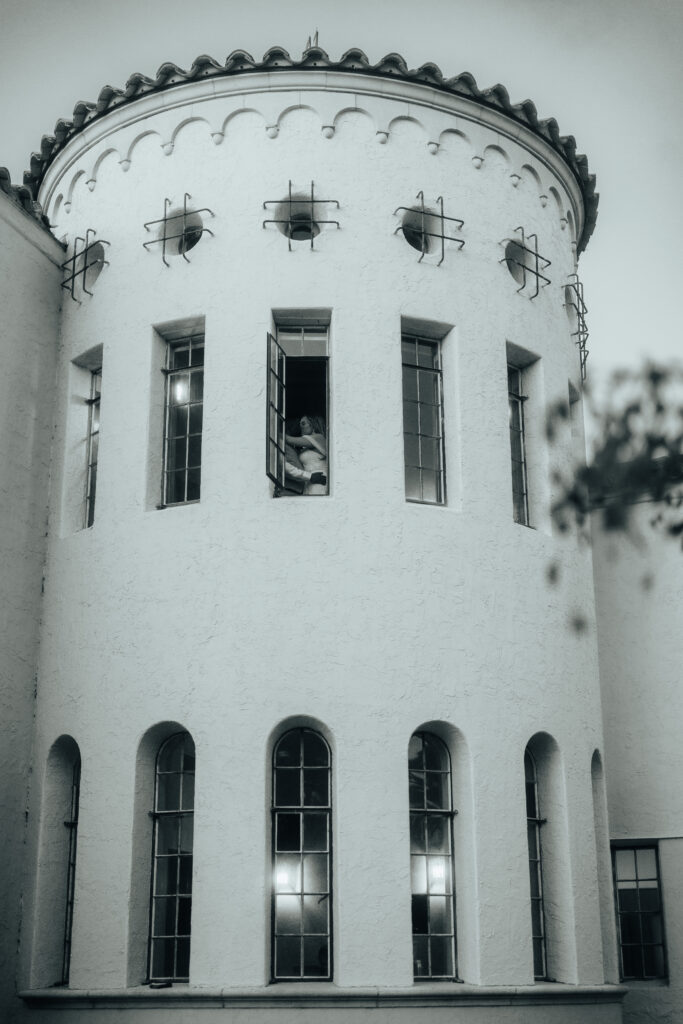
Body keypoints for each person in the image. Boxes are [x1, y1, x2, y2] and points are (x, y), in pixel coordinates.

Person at [286, 415, 328, 495]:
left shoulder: (319, 438)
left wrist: (274, 430)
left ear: (313, 424)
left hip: (320, 480)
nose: (300, 427)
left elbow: (288, 439)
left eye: (303, 423)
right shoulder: (306, 446)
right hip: (309, 481)